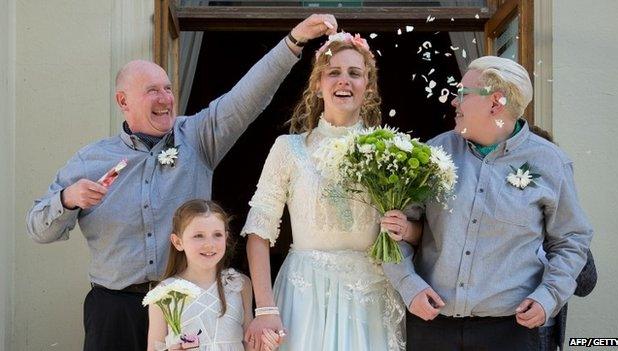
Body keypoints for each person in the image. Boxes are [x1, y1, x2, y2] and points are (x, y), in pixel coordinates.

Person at [25, 14, 338, 351]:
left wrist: (294, 40)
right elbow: (39, 229)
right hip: (115, 310)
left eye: (168, 89)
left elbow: (246, 97)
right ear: (123, 102)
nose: (165, 98)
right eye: (151, 91)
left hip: (184, 306)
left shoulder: (198, 137)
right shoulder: (90, 160)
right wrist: (68, 199)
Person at [383, 56, 593, 350]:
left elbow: (571, 239)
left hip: (510, 331)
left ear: (495, 103)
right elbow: (392, 230)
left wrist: (549, 296)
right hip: (431, 325)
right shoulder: (432, 154)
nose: (454, 102)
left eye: (462, 94)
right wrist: (409, 286)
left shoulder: (551, 163)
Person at [241, 32, 410, 351]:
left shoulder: (391, 151)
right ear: (318, 84)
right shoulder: (287, 149)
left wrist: (408, 228)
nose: (343, 80)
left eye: (354, 73)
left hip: (370, 298)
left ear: (368, 86)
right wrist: (265, 309)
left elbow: (415, 231)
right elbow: (258, 233)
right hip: (307, 298)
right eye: (333, 72)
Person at [146, 199, 280, 351]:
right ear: (178, 242)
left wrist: (266, 345)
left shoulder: (240, 284)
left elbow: (249, 343)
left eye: (217, 234)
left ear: (226, 237)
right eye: (198, 236)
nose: (209, 244)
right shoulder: (163, 293)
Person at [529, 126, 598, 351]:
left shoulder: (561, 219)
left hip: (544, 330)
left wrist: (559, 237)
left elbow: (586, 285)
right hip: (491, 328)